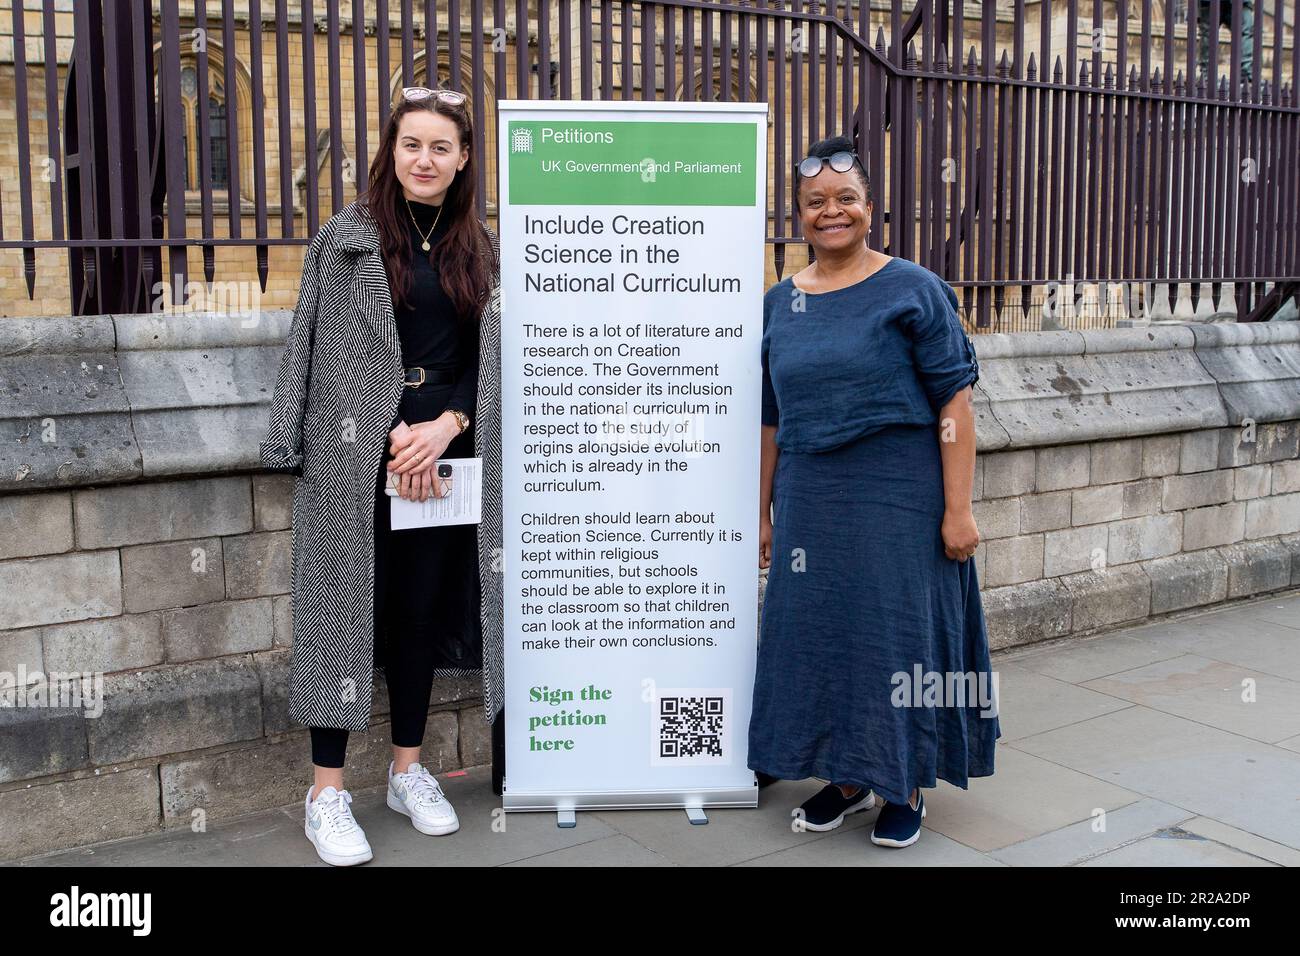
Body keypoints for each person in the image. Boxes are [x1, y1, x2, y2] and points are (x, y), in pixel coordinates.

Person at [258, 86, 505, 865]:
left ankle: (407, 769)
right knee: (341, 609)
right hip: (355, 448)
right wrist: (386, 432)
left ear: (464, 158)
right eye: (411, 145)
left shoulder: (480, 247)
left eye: (440, 147)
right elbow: (314, 345)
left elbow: (487, 359)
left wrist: (446, 425)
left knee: (419, 612)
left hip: (443, 452)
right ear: (390, 152)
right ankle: (326, 793)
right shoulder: (346, 238)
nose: (424, 160)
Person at [748, 135, 1000, 849]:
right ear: (798, 215)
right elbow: (771, 418)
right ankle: (848, 775)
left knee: (895, 638)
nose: (832, 213)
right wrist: (762, 512)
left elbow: (955, 406)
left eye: (846, 199)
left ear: (869, 207)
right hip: (811, 494)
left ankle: (903, 780)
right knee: (821, 636)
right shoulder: (778, 303)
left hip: (899, 492)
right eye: (815, 203)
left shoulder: (913, 288)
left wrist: (958, 510)